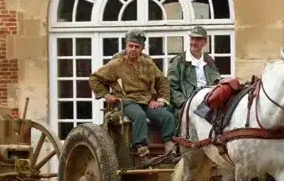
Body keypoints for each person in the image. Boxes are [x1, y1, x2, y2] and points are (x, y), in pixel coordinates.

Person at [89, 30, 177, 162]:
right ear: (126, 46)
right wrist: (107, 96)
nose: (133, 49)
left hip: (146, 101)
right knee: (139, 115)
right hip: (125, 101)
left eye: (137, 47)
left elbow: (163, 81)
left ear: (142, 48)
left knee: (167, 116)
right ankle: (142, 152)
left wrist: (161, 100)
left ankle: (170, 151)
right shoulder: (116, 64)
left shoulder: (148, 64)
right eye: (130, 46)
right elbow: (94, 78)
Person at [167, 26, 221, 119]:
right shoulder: (178, 61)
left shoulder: (209, 61)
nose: (193, 42)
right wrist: (185, 104)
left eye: (198, 39)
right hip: (186, 105)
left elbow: (216, 82)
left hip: (208, 103)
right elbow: (171, 88)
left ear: (204, 42)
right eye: (192, 39)